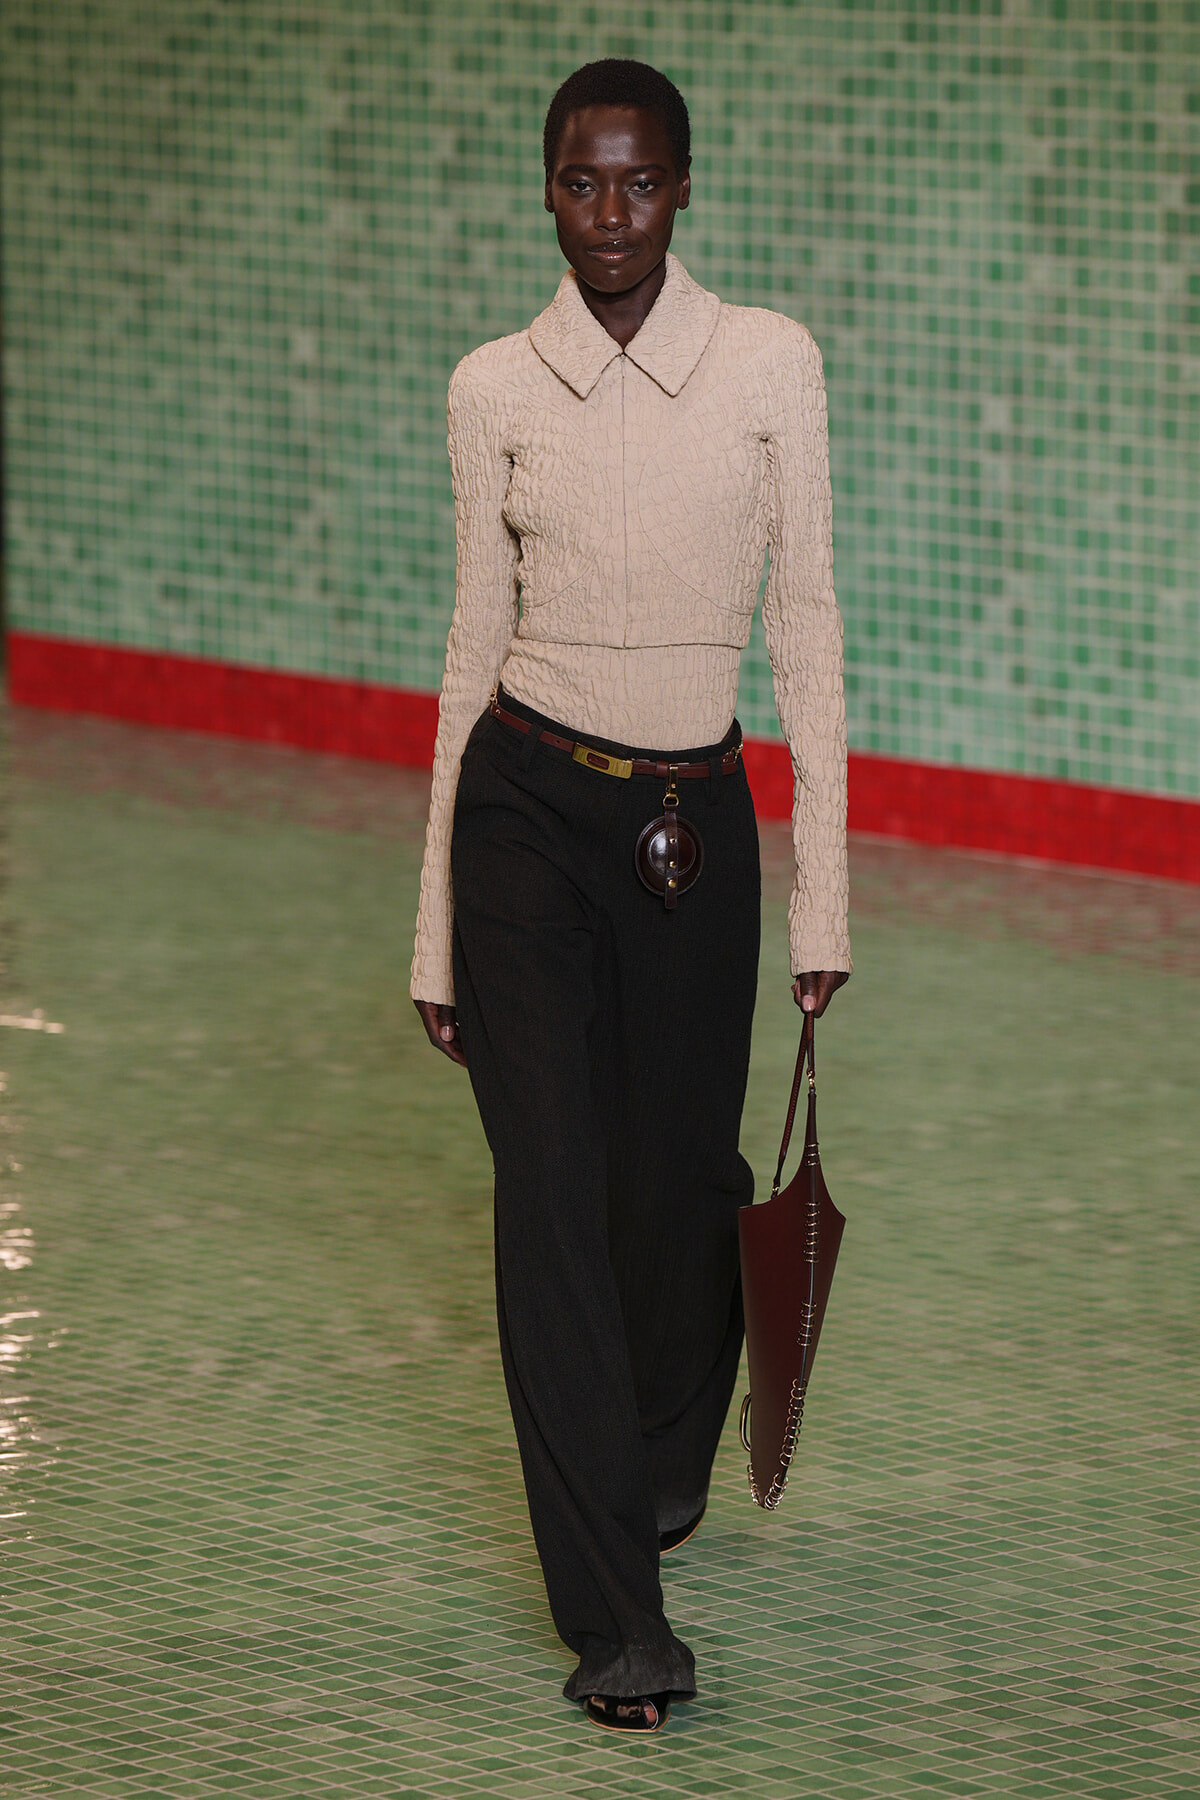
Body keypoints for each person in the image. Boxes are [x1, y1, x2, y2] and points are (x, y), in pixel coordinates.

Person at [411, 58, 850, 1733]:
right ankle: (619, 1620)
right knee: (551, 1199)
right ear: (546, 192)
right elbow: (466, 651)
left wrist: (824, 904)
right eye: (582, 185)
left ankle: (665, 1450)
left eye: (640, 182)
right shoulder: (492, 387)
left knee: (679, 1190)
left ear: (684, 186)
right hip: (523, 814)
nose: (611, 216)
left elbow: (804, 621)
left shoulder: (766, 366)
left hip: (697, 822)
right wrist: (433, 921)